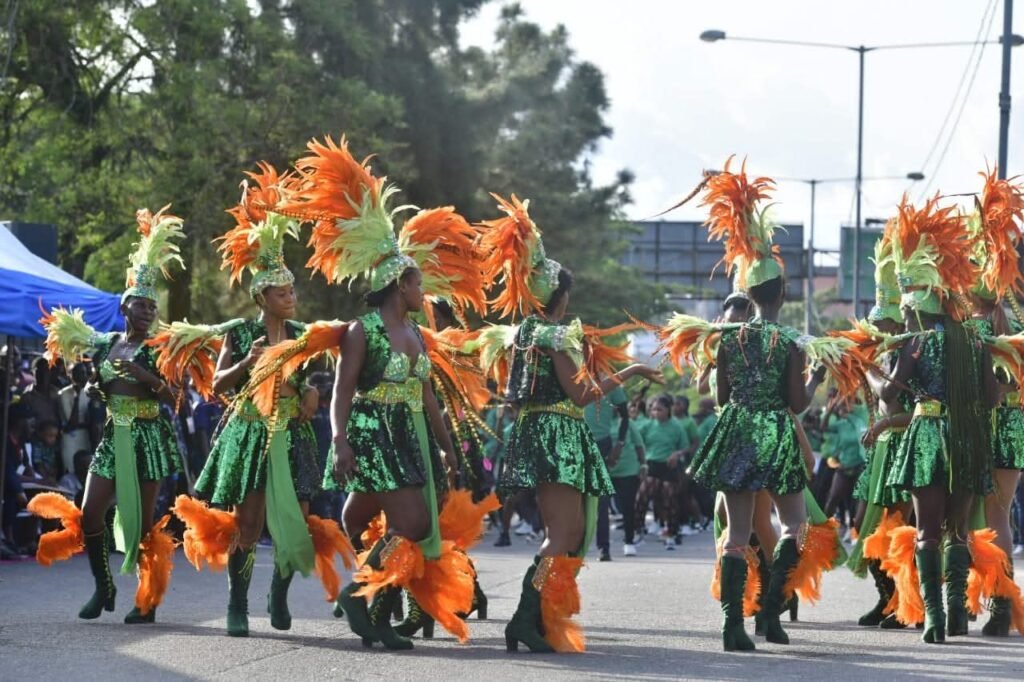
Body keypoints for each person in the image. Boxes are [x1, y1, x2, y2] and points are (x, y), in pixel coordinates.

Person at [272, 136, 481, 649]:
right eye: (418, 284)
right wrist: (340, 440)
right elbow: (342, 391)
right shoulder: (361, 331)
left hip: (409, 435)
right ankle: (359, 597)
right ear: (399, 285)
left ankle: (378, 611)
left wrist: (449, 448)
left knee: (358, 517)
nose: (424, 292)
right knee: (413, 522)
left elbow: (428, 397)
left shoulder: (417, 335)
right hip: (372, 432)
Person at [475, 192, 663, 653]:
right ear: (559, 297)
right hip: (557, 437)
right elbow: (582, 394)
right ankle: (524, 618)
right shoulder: (555, 335)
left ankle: (538, 616)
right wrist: (632, 371)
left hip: (545, 433)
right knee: (561, 535)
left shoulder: (523, 333)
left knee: (571, 533)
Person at [661, 161, 833, 652]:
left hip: (736, 431)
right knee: (795, 526)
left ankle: (732, 625)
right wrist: (815, 377)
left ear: (750, 294)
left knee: (736, 535)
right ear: (782, 293)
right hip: (775, 434)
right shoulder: (790, 342)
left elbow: (719, 397)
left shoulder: (726, 339)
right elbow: (797, 403)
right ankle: (772, 612)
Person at [174, 164, 343, 639]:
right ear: (261, 297)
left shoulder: (302, 335)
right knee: (248, 525)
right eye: (282, 292)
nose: (292, 296)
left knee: (296, 523)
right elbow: (218, 384)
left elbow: (308, 384)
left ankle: (278, 594)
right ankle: (237, 604)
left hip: (292, 434)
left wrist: (310, 391)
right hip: (251, 432)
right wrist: (247, 362)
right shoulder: (242, 332)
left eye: (293, 290)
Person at [31, 206, 185, 624]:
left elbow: (177, 398)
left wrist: (147, 378)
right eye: (141, 305)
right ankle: (104, 586)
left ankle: (147, 602)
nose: (148, 312)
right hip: (112, 436)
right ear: (125, 306)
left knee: (144, 524)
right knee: (90, 513)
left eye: (152, 307)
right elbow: (96, 384)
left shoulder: (160, 350)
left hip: (148, 437)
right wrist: (97, 388)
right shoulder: (105, 344)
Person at [881, 194, 997, 643]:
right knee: (959, 530)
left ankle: (933, 618)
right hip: (966, 437)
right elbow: (991, 397)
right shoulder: (975, 341)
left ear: (919, 306)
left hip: (927, 435)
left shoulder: (916, 343)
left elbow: (890, 395)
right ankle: (956, 614)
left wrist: (881, 379)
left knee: (927, 532)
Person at [584, 383, 629, 561]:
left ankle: (604, 547)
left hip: (602, 443)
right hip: (575, 442)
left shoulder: (611, 384)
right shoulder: (572, 378)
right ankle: (571, 547)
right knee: (573, 497)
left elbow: (625, 416)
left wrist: (620, 444)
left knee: (601, 500)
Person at [606, 411, 644, 556]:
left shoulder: (627, 423)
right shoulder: (599, 423)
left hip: (628, 470)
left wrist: (643, 464)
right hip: (606, 470)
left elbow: (639, 445)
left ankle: (629, 541)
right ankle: (603, 546)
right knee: (602, 509)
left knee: (628, 507)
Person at [58, 362, 93, 477]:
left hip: (86, 436)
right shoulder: (63, 393)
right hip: (70, 437)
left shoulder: (90, 392)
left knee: (87, 471)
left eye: (84, 373)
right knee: (70, 469)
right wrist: (76, 397)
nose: (82, 376)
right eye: (78, 373)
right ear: (71, 375)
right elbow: (71, 422)